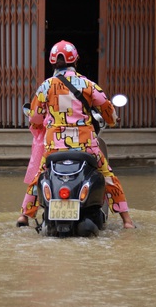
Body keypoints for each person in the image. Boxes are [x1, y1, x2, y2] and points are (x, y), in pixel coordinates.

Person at [16, 40, 135, 229]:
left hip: (54, 147)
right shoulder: (88, 85)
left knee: (39, 175)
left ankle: (25, 215)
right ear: (76, 60)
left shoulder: (45, 87)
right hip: (85, 144)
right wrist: (112, 120)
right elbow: (107, 110)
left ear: (52, 62)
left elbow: (36, 118)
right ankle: (126, 220)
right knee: (108, 175)